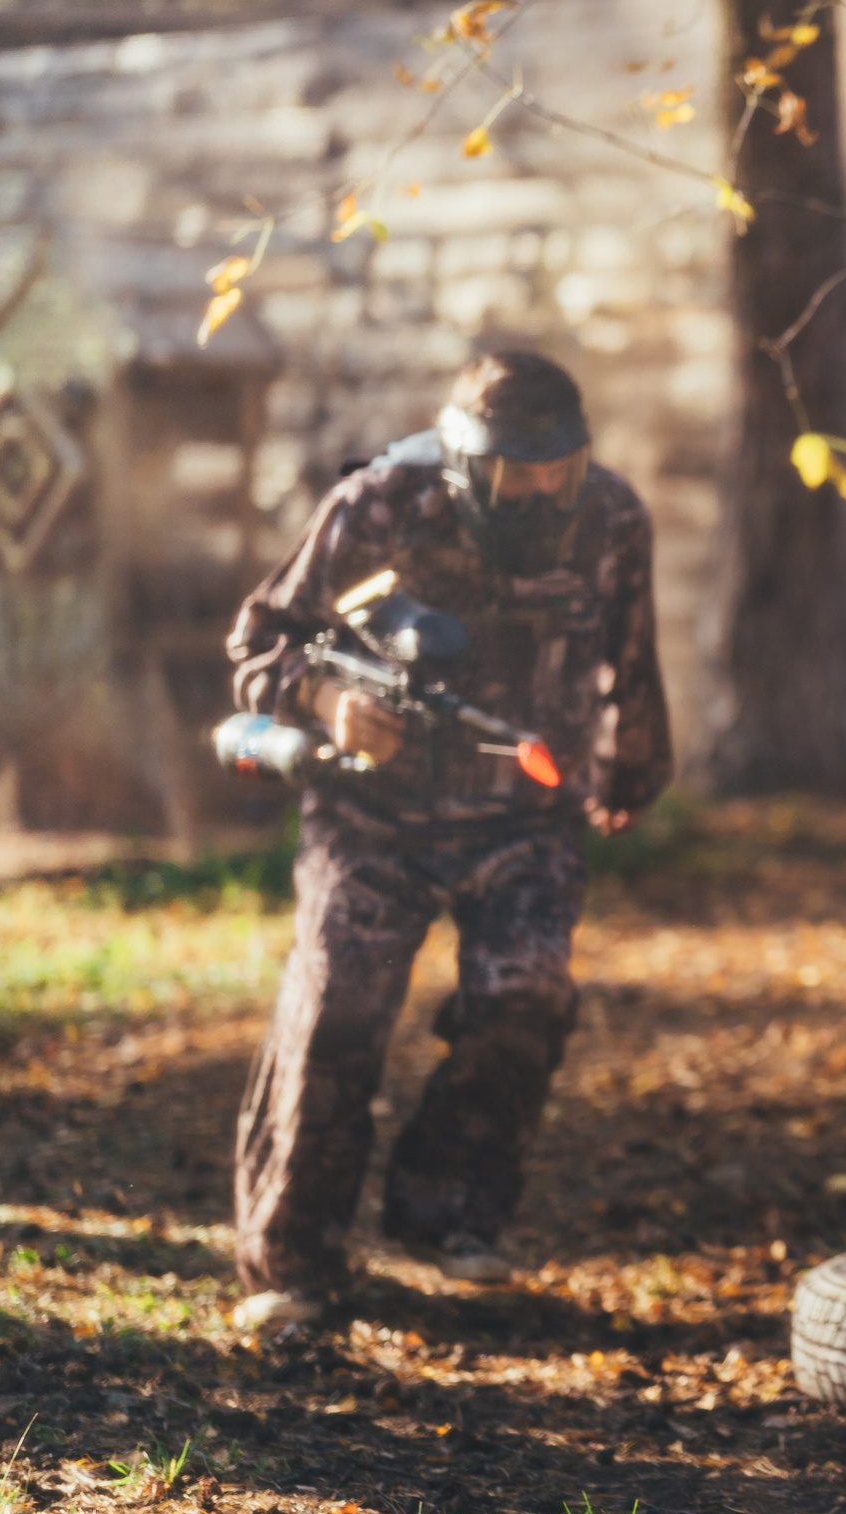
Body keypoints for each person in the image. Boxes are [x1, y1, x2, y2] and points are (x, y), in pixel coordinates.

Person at [222, 351, 671, 1333]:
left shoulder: (611, 517)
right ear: (466, 463)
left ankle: (447, 1211)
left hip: (527, 821)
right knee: (335, 1009)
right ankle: (292, 1262)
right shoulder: (376, 507)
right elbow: (259, 642)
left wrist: (635, 767)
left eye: (560, 468)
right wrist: (328, 699)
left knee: (526, 998)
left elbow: (630, 652)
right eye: (519, 473)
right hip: (371, 819)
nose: (543, 491)